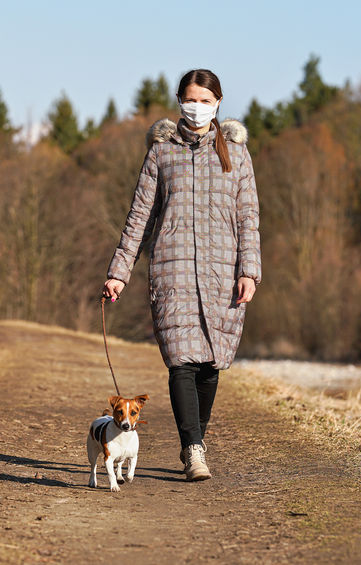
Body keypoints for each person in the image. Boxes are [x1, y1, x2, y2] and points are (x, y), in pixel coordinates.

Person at [102, 69, 261, 481]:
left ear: (218, 103)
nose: (197, 107)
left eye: (206, 101)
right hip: (171, 273)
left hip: (222, 274)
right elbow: (140, 216)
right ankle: (193, 450)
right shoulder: (161, 152)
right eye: (191, 99)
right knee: (181, 363)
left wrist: (250, 272)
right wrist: (119, 271)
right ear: (179, 101)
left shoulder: (237, 154)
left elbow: (248, 218)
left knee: (210, 366)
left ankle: (195, 442)